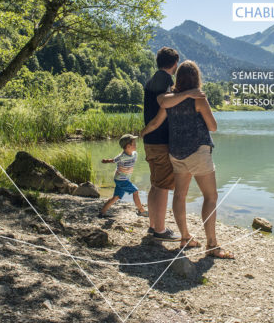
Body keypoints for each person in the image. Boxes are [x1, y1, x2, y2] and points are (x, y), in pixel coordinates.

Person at [141, 60, 233, 258]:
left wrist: (143, 132)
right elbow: (213, 126)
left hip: (176, 153)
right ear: (196, 78)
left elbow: (157, 120)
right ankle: (212, 244)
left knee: (180, 195)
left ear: (178, 78)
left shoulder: (170, 100)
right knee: (210, 197)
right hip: (198, 152)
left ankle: (185, 237)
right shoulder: (199, 99)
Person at [143, 47, 205, 241]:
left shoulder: (152, 80)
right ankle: (160, 230)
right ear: (175, 63)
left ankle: (153, 225)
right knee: (162, 186)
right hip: (161, 141)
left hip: (150, 140)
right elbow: (165, 103)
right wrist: (189, 94)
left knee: (155, 184)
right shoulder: (165, 80)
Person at [98, 134, 148, 218]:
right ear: (128, 146)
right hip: (121, 179)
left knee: (116, 197)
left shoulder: (135, 154)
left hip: (123, 179)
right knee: (135, 191)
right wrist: (106, 161)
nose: (136, 145)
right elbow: (113, 160)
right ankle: (141, 211)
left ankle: (102, 213)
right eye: (134, 144)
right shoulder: (122, 156)